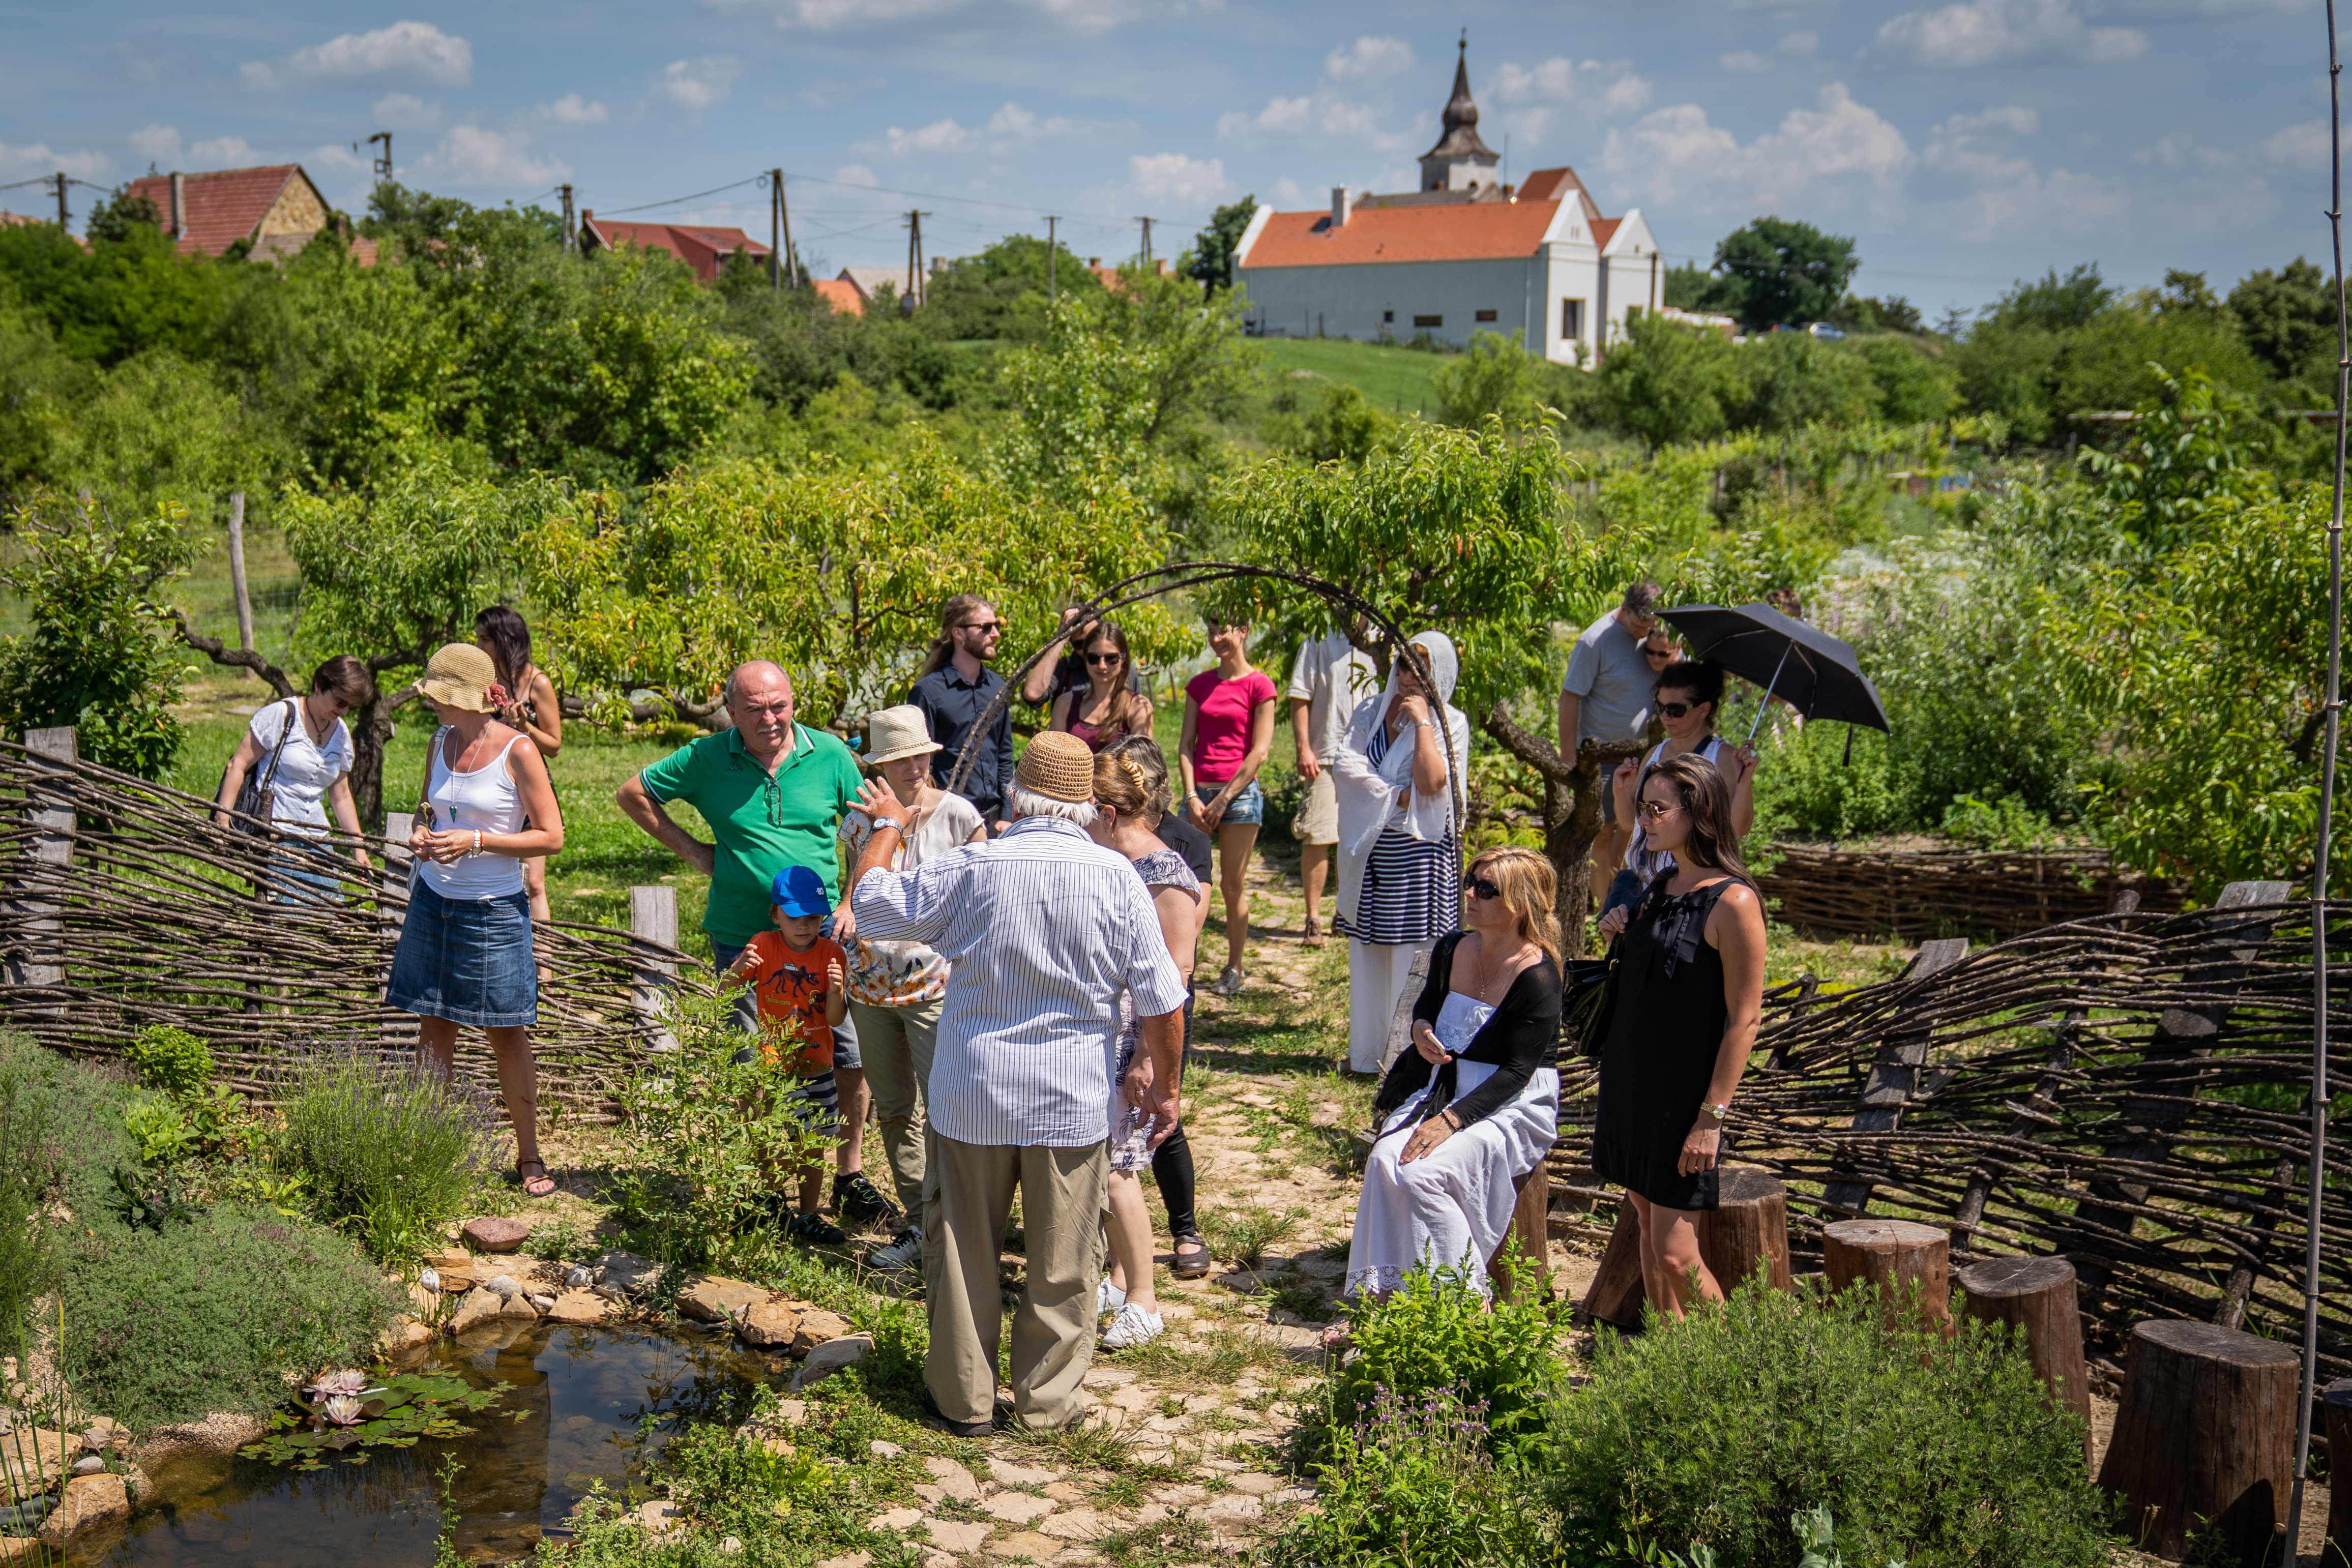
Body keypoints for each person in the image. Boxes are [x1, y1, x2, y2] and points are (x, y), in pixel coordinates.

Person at [846, 732, 1187, 1436]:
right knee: (1064, 1261)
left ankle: (964, 1399)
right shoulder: (1116, 876)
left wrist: (885, 829)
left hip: (974, 1091)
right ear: (1088, 803)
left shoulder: (975, 865)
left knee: (966, 1251)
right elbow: (1162, 995)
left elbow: (873, 909)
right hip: (1070, 1099)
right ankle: (1049, 1404)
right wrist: (1167, 1087)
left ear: (1017, 796)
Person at [615, 661, 872, 1220]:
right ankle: (763, 1188)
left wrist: (852, 898)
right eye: (754, 707)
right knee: (754, 1058)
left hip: (822, 933)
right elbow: (633, 793)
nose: (769, 718)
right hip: (743, 936)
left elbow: (870, 826)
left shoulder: (829, 755)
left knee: (846, 1050)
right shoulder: (709, 757)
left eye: (778, 704)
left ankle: (848, 1175)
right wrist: (694, 851)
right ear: (730, 709)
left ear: (794, 701)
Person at [384, 643, 566, 1198]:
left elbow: (551, 836)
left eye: (439, 697)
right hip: (433, 902)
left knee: (506, 1033)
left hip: (493, 912)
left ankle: (529, 1156)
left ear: (468, 699)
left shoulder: (518, 750)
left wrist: (479, 839)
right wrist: (423, 835)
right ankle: (426, 1141)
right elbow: (428, 810)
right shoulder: (440, 740)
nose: (431, 706)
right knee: (434, 1025)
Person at [1592, 752, 1768, 1319]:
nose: (1644, 819)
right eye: (1643, 807)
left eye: (1656, 808)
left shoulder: (1733, 902)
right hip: (1630, 1081)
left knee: (1675, 1250)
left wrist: (1710, 1117)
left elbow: (1744, 1019)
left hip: (1682, 1098)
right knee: (1646, 1222)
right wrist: (1619, 925)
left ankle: (1736, 1370)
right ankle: (1669, 1361)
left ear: (1701, 810)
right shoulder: (1658, 885)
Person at [1349, 846, 1564, 1299]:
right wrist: (1421, 1027)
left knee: (1422, 1174)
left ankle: (1462, 1300)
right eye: (1471, 880)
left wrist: (1449, 1121)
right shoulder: (1452, 946)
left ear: (1520, 903)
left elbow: (1518, 1073)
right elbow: (1427, 1002)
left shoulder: (1538, 976)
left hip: (1511, 1100)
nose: (1471, 892)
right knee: (1386, 1160)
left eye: (1486, 888)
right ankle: (1390, 1293)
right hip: (1444, 1083)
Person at [836, 704, 986, 1272]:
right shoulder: (859, 819)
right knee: (896, 1108)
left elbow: (979, 895)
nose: (916, 765)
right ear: (879, 765)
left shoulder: (960, 816)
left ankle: (962, 1220)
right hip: (872, 985)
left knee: (946, 1105)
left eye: (922, 753)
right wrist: (845, 910)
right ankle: (921, 1220)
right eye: (901, 758)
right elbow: (855, 885)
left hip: (935, 982)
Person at [1087, 749, 1205, 1350]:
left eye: (1085, 814)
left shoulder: (1166, 876)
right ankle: (1115, 1276)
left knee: (1118, 1171)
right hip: (1101, 1032)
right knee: (1100, 1164)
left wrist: (1149, 1061)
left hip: (1138, 1041)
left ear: (1109, 814)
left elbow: (1174, 979)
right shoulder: (1111, 863)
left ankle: (1144, 1300)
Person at [1331, 632, 1472, 1077]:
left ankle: (1402, 1059)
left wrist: (1424, 723)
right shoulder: (1372, 710)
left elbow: (1433, 787)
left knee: (1412, 957)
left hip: (1420, 857)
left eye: (1422, 668)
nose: (1409, 676)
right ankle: (1366, 1054)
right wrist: (1397, 797)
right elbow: (1345, 767)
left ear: (1440, 674)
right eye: (1405, 665)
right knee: (1371, 953)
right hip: (1373, 850)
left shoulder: (1452, 722)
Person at [724, 866, 851, 1245]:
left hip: (818, 1063)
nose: (804, 925)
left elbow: (836, 1019)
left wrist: (835, 992)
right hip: (776, 1062)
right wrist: (736, 970)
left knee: (813, 1141)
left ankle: (808, 1214)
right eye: (794, 916)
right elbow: (724, 993)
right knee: (777, 1135)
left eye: (813, 917)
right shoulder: (763, 945)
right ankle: (774, 1200)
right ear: (775, 913)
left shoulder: (832, 953)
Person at [213, 656, 376, 903]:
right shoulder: (282, 715)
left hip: (317, 838)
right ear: (319, 685)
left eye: (350, 707)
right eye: (340, 702)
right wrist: (222, 819)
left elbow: (341, 794)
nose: (343, 711)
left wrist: (358, 846)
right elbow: (238, 765)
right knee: (284, 915)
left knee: (327, 914)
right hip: (276, 833)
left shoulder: (341, 734)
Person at [1603, 660, 1757, 922]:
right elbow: (1630, 823)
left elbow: (1739, 829)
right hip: (1634, 881)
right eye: (1660, 707)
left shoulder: (1723, 759)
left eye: (1675, 709)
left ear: (1703, 709)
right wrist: (1621, 792)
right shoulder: (1656, 752)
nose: (1665, 717)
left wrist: (1745, 783)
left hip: (1682, 888)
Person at [1178, 620, 1278, 996]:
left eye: (1226, 630)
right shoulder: (1200, 684)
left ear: (1245, 631)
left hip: (1238, 797)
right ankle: (1181, 962)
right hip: (1198, 794)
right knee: (1185, 885)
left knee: (1232, 885)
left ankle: (1234, 967)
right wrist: (1191, 796)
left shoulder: (1260, 685)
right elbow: (1186, 744)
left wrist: (1222, 800)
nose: (1218, 637)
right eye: (1213, 629)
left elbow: (1260, 750)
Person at [1561, 582, 1664, 876]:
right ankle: (1604, 909)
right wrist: (1569, 759)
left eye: (1650, 625)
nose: (1645, 633)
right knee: (1603, 831)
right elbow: (1570, 698)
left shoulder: (1659, 634)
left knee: (1635, 829)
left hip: (1647, 754)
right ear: (1625, 609)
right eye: (1639, 625)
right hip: (1603, 755)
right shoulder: (1595, 641)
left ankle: (1618, 896)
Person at [1286, 628, 1378, 950]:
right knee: (1319, 835)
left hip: (1369, 758)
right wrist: (1303, 748)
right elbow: (1300, 694)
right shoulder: (1320, 634)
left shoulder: (1381, 638)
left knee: (1359, 838)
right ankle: (1313, 917)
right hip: (1325, 753)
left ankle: (1347, 913)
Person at [475, 606, 563, 934]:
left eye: (486, 639)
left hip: (527, 788)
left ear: (505, 640)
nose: (480, 646)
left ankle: (547, 977)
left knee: (535, 883)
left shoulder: (537, 683)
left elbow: (554, 745)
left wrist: (525, 726)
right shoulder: (484, 681)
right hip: (486, 788)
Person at [909, 594, 1013, 826]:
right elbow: (921, 762)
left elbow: (1004, 756)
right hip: (948, 818)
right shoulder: (927, 692)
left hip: (994, 819)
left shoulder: (998, 687)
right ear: (959, 634)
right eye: (986, 628)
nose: (996, 634)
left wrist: (1007, 813)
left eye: (996, 626)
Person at [1050, 620, 1154, 752]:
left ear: (1124, 659)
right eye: (1094, 658)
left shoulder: (1139, 707)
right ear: (1085, 658)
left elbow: (1140, 765)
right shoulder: (1065, 704)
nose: (1102, 665)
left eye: (1111, 658)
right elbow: (1052, 761)